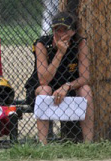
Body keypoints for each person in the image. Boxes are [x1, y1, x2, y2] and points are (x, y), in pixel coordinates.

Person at [25, 11, 94, 144]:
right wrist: (60, 53)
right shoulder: (42, 44)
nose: (60, 34)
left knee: (86, 90)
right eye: (57, 30)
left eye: (65, 30)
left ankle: (88, 144)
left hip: (68, 86)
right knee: (45, 89)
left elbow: (85, 77)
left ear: (73, 31)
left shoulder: (80, 43)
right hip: (42, 88)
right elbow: (43, 80)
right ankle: (42, 144)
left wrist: (67, 86)